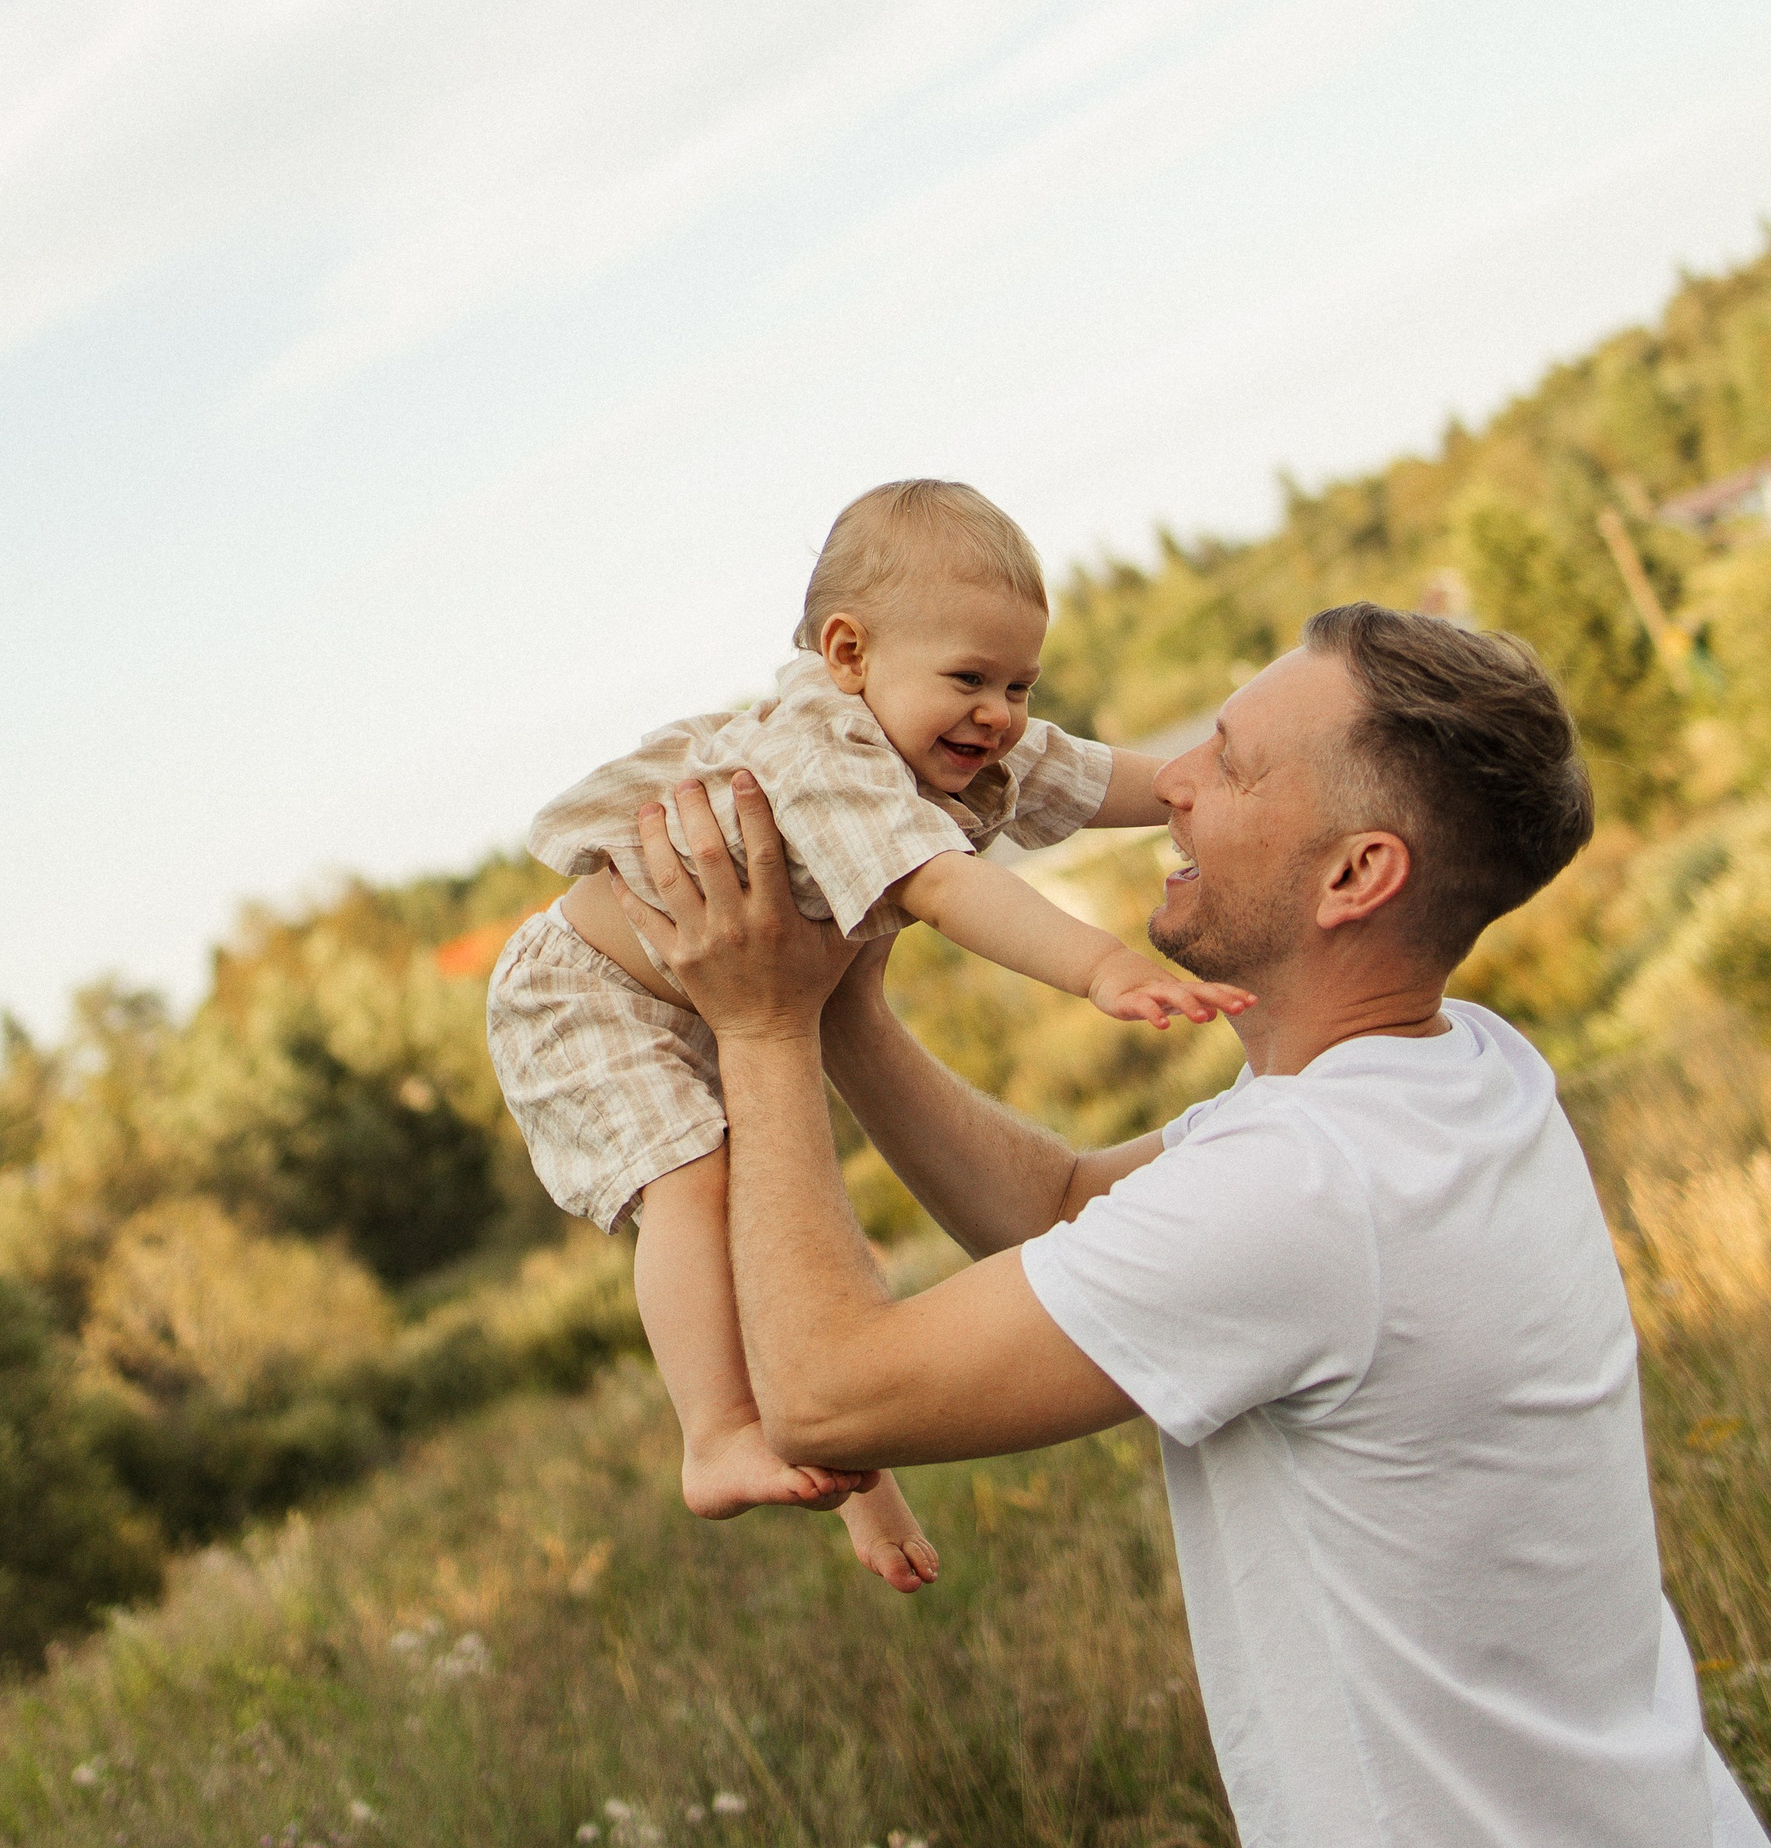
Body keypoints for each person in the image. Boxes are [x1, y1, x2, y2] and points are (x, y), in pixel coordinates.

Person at [608, 602, 1771, 1847]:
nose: (1174, 786)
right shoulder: (1448, 1073)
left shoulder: (1315, 1185)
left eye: (1230, 761)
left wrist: (760, 1030)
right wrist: (841, 1008)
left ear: (1356, 875)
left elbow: (828, 1397)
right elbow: (1053, 1208)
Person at [487, 480, 1250, 1593]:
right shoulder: (826, 750)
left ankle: (851, 1468)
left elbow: (1091, 781)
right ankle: (714, 1435)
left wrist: (1197, 788)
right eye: (971, 680)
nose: (998, 713)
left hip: (711, 991)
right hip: (590, 993)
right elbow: (942, 885)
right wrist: (1101, 966)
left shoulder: (953, 733)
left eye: (1019, 683)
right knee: (699, 1188)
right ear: (848, 654)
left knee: (799, 1229)